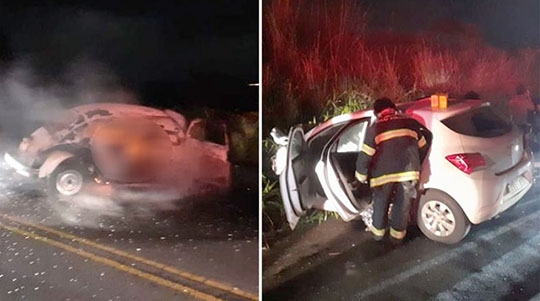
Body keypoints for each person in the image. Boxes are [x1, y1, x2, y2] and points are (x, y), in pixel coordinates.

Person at [355, 97, 431, 243]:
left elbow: (365, 156)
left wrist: (361, 176)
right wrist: (416, 163)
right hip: (409, 173)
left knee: (381, 203)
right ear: (394, 109)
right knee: (402, 204)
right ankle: (397, 238)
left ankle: (378, 235)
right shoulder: (411, 123)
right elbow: (422, 146)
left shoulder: (375, 129)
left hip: (383, 176)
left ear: (377, 113)